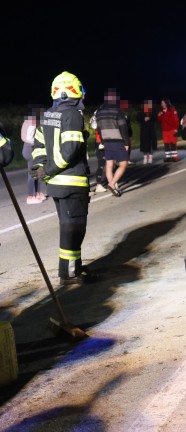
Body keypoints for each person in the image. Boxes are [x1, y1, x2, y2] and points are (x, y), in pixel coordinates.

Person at [30, 71, 93, 285]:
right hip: (71, 182)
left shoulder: (48, 115)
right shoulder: (73, 115)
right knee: (74, 227)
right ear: (74, 90)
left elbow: (38, 146)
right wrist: (50, 169)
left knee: (68, 226)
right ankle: (69, 274)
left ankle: (71, 268)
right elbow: (71, 150)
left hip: (56, 185)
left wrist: (41, 167)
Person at [94, 88, 131, 197]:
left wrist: (102, 140)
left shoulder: (99, 112)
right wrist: (126, 142)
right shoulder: (118, 111)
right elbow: (123, 128)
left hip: (106, 141)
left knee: (109, 165)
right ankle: (112, 183)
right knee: (123, 164)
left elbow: (99, 129)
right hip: (118, 141)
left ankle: (113, 187)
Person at [21, 106, 47, 204]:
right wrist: (38, 143)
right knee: (32, 174)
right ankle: (30, 197)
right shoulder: (31, 122)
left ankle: (37, 193)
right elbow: (28, 137)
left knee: (37, 172)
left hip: (31, 149)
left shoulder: (31, 121)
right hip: (30, 149)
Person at [157, 97, 179, 162]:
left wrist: (176, 128)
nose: (161, 104)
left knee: (173, 144)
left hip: (172, 129)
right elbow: (159, 120)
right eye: (161, 103)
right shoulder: (161, 111)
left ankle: (175, 157)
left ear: (166, 103)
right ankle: (168, 157)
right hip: (165, 131)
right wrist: (159, 115)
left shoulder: (172, 109)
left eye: (162, 103)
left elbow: (176, 120)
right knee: (166, 144)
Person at [136, 99, 157, 164]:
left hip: (151, 129)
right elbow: (138, 118)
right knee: (144, 143)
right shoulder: (141, 111)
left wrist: (149, 118)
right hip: (144, 130)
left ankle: (150, 157)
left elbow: (155, 117)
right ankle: (145, 157)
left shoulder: (152, 111)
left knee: (151, 143)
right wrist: (143, 119)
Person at [120, 99, 134, 165]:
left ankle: (128, 159)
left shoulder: (127, 113)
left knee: (129, 146)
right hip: (122, 133)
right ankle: (123, 160)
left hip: (128, 132)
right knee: (124, 147)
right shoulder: (120, 113)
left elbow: (128, 124)